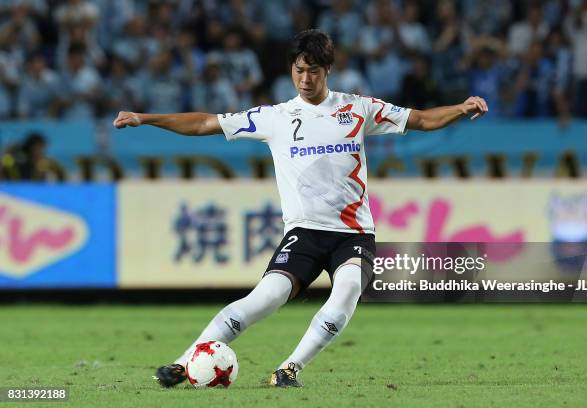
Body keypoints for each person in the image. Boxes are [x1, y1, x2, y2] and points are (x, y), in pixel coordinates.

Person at [113, 29, 488, 388]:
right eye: (299, 70)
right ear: (291, 69)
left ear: (328, 70)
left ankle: (289, 368)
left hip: (354, 233)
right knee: (266, 297)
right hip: (304, 232)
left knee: (348, 288)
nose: (305, 79)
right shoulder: (275, 117)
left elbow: (420, 119)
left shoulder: (357, 109)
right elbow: (205, 123)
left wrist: (461, 107)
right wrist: (146, 118)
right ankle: (185, 362)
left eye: (313, 70)